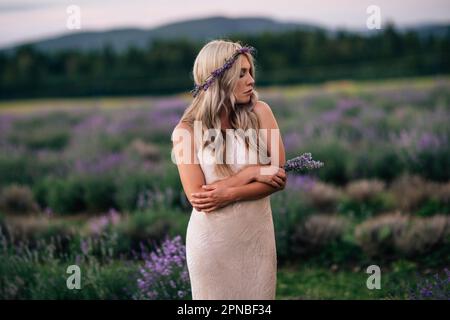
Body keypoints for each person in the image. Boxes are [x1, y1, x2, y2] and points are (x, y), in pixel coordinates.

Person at [171, 39, 287, 299]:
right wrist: (251, 173)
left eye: (250, 72)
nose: (251, 81)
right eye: (241, 74)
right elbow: (199, 198)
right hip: (212, 245)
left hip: (257, 241)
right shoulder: (185, 132)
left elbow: (278, 177)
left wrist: (229, 193)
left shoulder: (261, 113)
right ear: (219, 79)